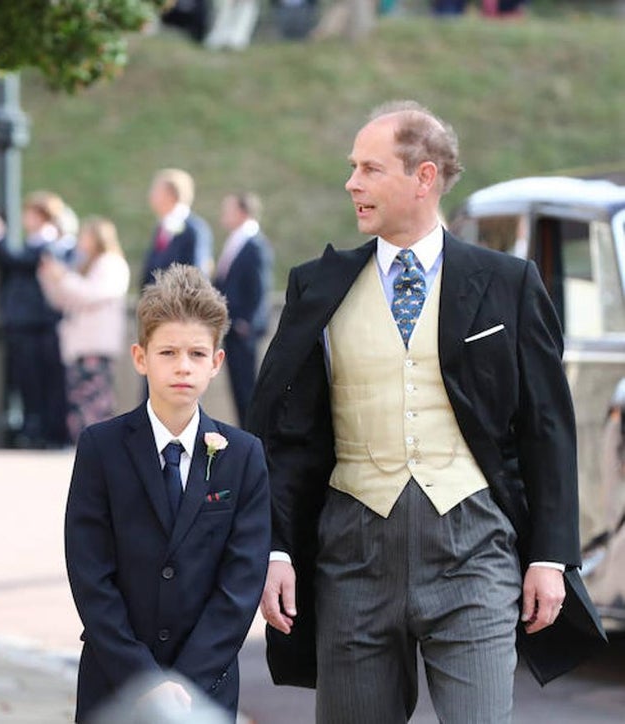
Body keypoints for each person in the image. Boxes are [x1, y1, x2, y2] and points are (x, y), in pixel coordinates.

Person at [248, 100, 604, 722]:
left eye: (370, 168)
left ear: (424, 177)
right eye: (352, 168)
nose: (352, 183)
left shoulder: (506, 283)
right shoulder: (317, 288)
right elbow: (288, 437)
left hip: (474, 551)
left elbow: (547, 425)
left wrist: (551, 555)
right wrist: (275, 549)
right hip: (351, 557)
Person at [65, 264, 270, 722]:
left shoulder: (242, 455)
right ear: (140, 358)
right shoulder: (100, 448)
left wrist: (183, 681)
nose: (183, 366)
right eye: (168, 352)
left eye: (197, 354)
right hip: (114, 680)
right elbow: (89, 572)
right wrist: (142, 677)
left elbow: (241, 582)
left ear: (217, 362)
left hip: (206, 686)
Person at [0, 191, 71, 449]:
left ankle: (42, 431)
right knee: (28, 382)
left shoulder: (47, 244)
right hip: (26, 323)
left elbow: (18, 261)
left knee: (38, 383)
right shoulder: (37, 242)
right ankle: (34, 428)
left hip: (35, 324)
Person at [38, 216, 131, 443]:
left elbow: (91, 294)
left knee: (96, 401)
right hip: (79, 344)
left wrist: (65, 277)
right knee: (79, 401)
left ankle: (99, 449)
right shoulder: (85, 266)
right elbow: (63, 300)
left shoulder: (111, 263)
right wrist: (49, 277)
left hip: (96, 344)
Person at [213, 191, 272, 426]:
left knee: (247, 391)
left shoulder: (254, 244)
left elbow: (259, 287)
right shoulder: (236, 240)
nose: (224, 215)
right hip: (231, 327)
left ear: (242, 212)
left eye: (229, 210)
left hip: (242, 330)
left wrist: (246, 324)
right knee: (238, 391)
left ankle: (253, 441)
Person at [140, 168, 213, 289]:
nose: (151, 196)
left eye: (156, 191)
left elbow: (196, 276)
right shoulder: (161, 227)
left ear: (171, 194)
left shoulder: (194, 230)